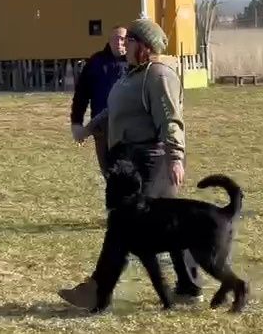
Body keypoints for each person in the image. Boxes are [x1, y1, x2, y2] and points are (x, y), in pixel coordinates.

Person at [58, 18, 203, 309]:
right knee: (169, 226)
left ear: (144, 47)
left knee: (125, 225)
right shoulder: (134, 74)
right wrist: (89, 128)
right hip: (131, 158)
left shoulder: (159, 76)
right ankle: (189, 286)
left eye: (131, 41)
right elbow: (115, 108)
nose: (124, 45)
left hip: (154, 160)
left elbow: (171, 120)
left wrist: (175, 158)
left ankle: (98, 290)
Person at [70, 25, 129, 174]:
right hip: (101, 127)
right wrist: (76, 122)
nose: (118, 42)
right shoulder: (96, 62)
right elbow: (81, 94)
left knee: (126, 173)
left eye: (122, 39)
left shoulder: (133, 64)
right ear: (109, 41)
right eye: (115, 38)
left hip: (127, 129)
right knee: (108, 172)